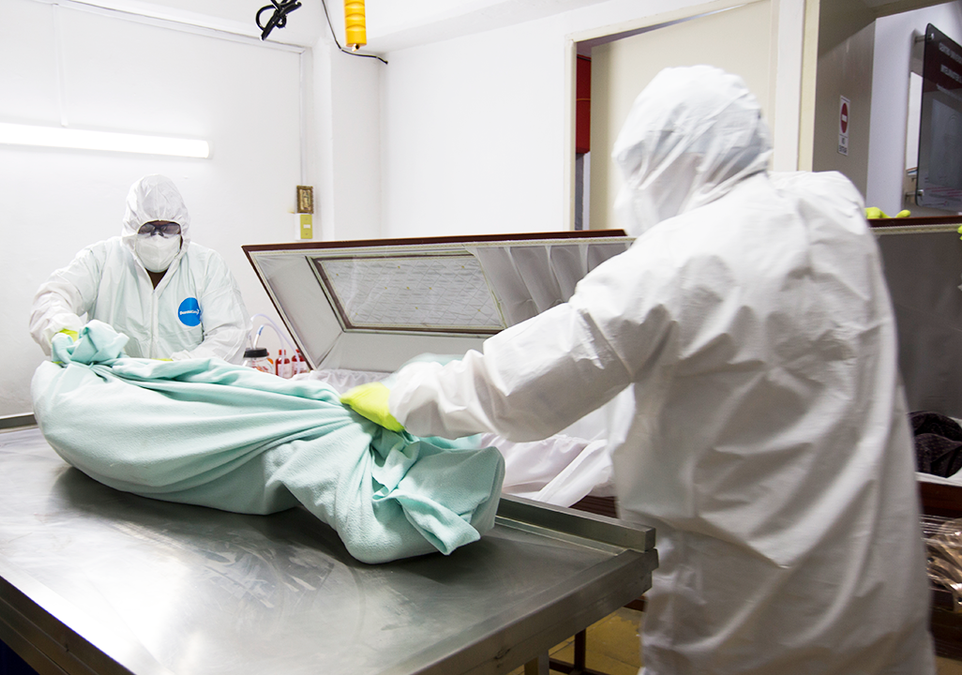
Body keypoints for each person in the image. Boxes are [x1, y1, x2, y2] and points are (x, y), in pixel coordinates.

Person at [342, 66, 933, 675]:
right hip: (880, 599)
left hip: (754, 620)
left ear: (672, 162)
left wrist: (403, 397)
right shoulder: (830, 208)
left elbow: (514, 388)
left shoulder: (673, 263)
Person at [30, 175, 250, 362]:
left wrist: (180, 367)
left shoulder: (207, 265)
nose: (157, 237)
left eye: (168, 228)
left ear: (183, 229)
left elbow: (229, 333)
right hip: (116, 387)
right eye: (147, 228)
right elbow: (52, 296)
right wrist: (67, 333)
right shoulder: (102, 259)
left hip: (187, 391)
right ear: (131, 228)